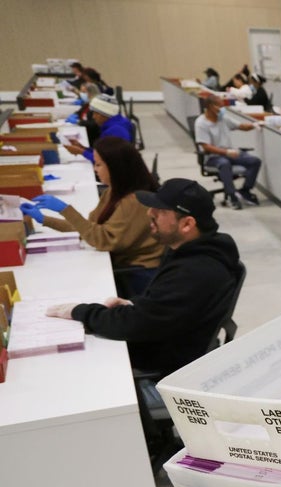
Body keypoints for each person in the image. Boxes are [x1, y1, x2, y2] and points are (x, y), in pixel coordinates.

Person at [44, 178, 242, 377]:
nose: (149, 213)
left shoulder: (194, 272)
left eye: (160, 211)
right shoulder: (191, 250)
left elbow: (135, 324)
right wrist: (135, 304)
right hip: (164, 338)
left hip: (165, 364)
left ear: (187, 224)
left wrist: (80, 312)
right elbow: (164, 307)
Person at [21, 137, 163, 295]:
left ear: (116, 167)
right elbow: (89, 228)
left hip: (138, 275)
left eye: (98, 164)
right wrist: (44, 219)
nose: (95, 169)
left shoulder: (133, 201)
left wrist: (65, 210)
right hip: (122, 265)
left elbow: (103, 240)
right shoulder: (114, 191)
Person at [194, 96, 263, 210]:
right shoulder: (201, 123)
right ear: (211, 107)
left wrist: (254, 125)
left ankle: (245, 190)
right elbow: (206, 146)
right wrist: (226, 152)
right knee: (224, 164)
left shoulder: (223, 118)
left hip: (229, 153)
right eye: (220, 106)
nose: (222, 109)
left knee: (254, 161)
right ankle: (231, 196)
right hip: (212, 157)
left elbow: (241, 126)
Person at [64, 97, 134, 161]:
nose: (93, 117)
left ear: (104, 114)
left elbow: (105, 160)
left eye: (95, 113)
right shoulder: (114, 125)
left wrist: (81, 152)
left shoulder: (115, 131)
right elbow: (102, 152)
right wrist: (82, 148)